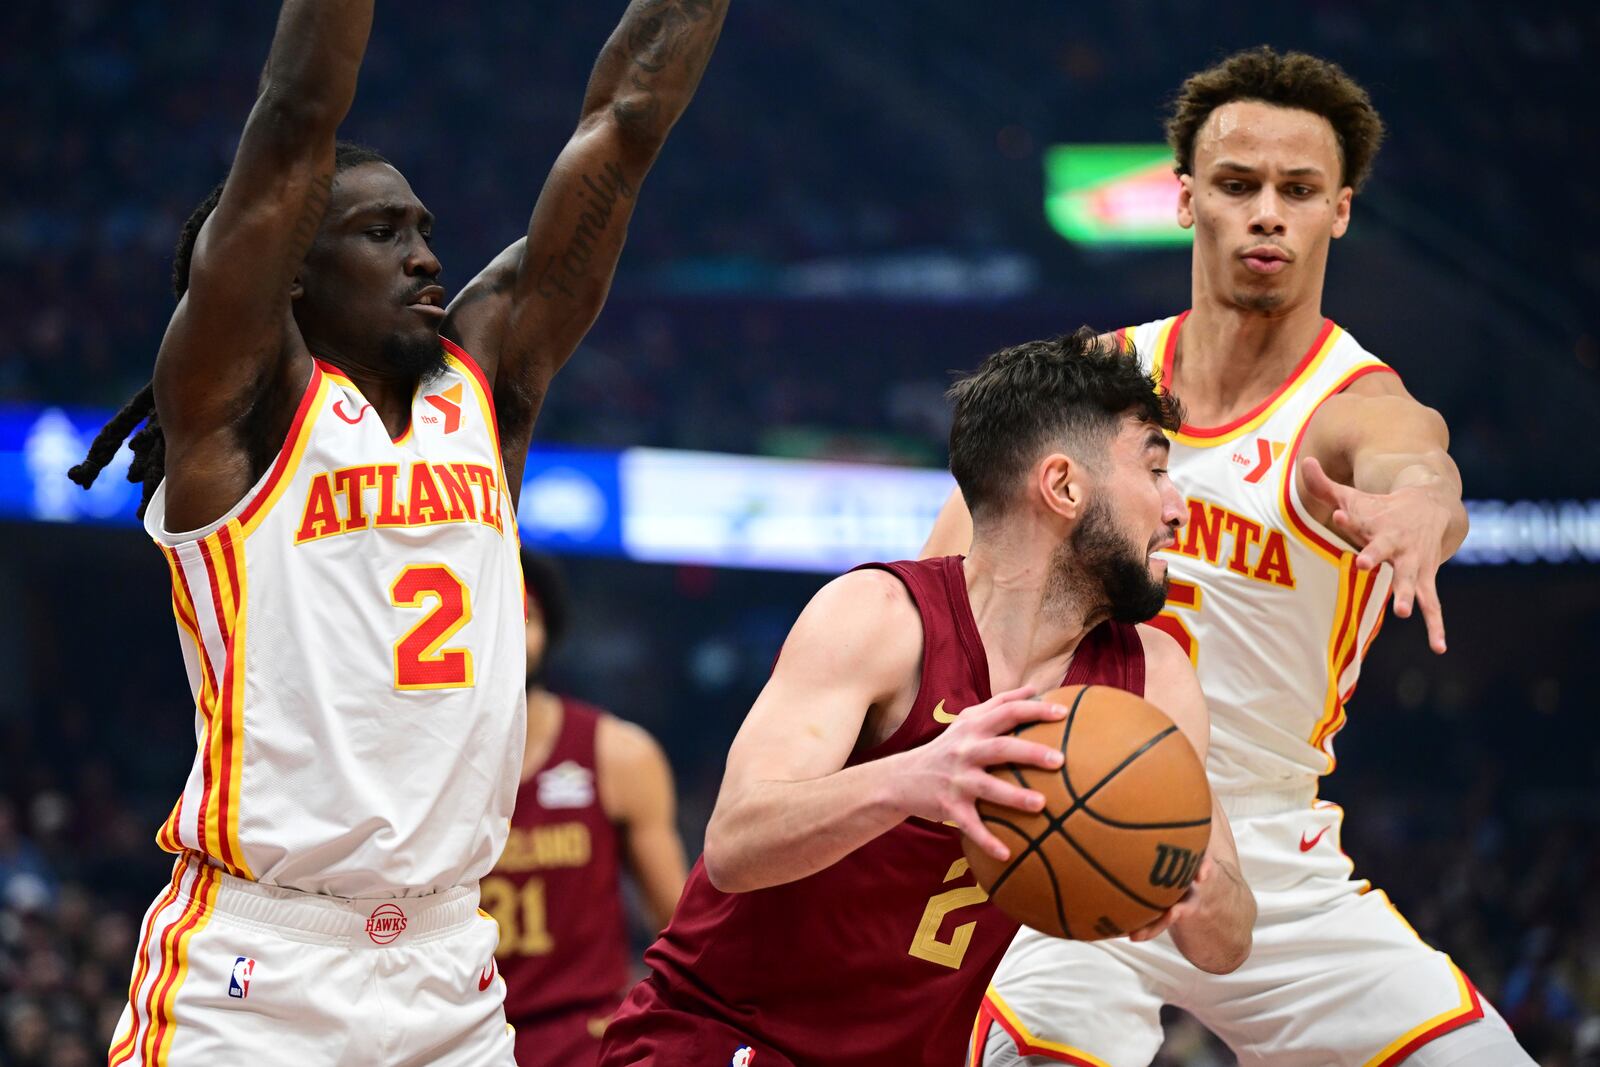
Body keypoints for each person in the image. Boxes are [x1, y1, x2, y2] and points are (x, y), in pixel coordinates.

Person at [68, 1, 728, 1062]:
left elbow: (623, 121)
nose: (426, 257)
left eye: (424, 230)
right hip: (259, 967)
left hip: (448, 966)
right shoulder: (236, 421)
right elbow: (292, 120)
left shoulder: (483, 389)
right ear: (284, 270)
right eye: (381, 232)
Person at [924, 47, 1535, 1067]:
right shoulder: (1089, 388)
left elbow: (1409, 453)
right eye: (1237, 184)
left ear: (1339, 211)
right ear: (1184, 198)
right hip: (1067, 804)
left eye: (1297, 191)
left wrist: (1423, 506)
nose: (1266, 213)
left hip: (1266, 846)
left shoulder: (1346, 403)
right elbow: (943, 584)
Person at [598, 331, 1255, 1067]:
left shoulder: (1155, 676)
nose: (1178, 508)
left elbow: (1229, 941)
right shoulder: (880, 616)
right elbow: (734, 844)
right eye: (1157, 470)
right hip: (728, 1037)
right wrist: (912, 777)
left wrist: (1187, 884)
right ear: (1065, 486)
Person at [490, 551, 687, 1066]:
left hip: (583, 1036)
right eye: (493, 612)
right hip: (458, 1028)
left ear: (550, 630)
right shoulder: (410, 763)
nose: (510, 631)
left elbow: (679, 928)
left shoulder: (619, 753)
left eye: (524, 615)